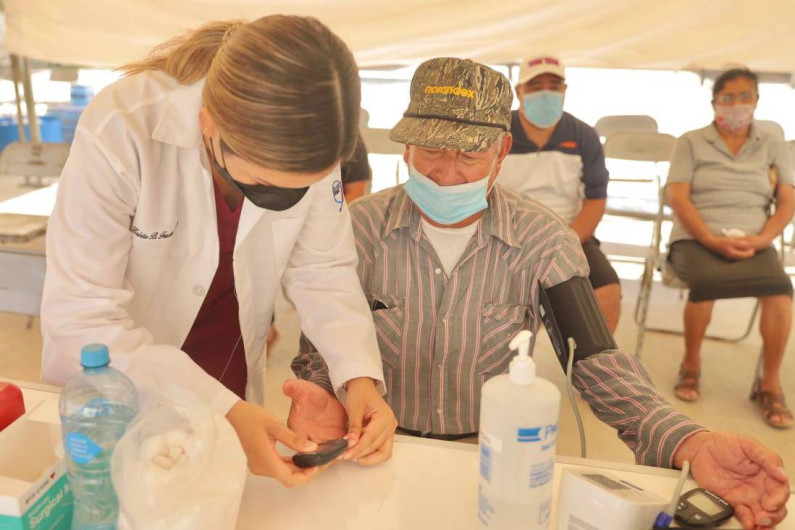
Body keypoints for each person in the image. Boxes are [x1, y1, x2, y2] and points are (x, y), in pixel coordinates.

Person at [287, 58, 789, 529]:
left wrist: (688, 440)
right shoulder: (355, 230)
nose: (447, 173)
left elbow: (594, 359)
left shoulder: (543, 240)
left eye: (470, 154)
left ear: (502, 151)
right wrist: (322, 394)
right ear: (405, 149)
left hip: (485, 455)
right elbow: (320, 348)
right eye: (432, 150)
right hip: (369, 446)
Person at [39, 15, 397, 487]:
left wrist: (357, 378)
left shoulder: (312, 134)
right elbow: (82, 315)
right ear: (208, 122)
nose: (283, 200)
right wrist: (221, 408)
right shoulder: (123, 126)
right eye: (265, 184)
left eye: (300, 188)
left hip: (231, 379)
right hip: (120, 392)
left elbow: (323, 268)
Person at [666, 68, 794, 429]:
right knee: (706, 283)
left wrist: (763, 239)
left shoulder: (772, 143)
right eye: (728, 97)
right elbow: (678, 197)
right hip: (696, 237)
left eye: (745, 96)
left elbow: (787, 199)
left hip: (754, 239)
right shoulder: (691, 141)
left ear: (757, 100)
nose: (737, 105)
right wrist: (709, 239)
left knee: (781, 291)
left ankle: (769, 385)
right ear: (714, 102)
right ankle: (691, 365)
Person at [499, 55, 620, 332]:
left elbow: (595, 201)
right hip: (506, 236)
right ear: (519, 91)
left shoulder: (584, 135)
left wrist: (566, 243)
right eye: (535, 85)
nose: (546, 93)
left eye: (554, 86)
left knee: (607, 288)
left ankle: (597, 361)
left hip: (570, 234)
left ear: (565, 90)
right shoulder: (497, 132)